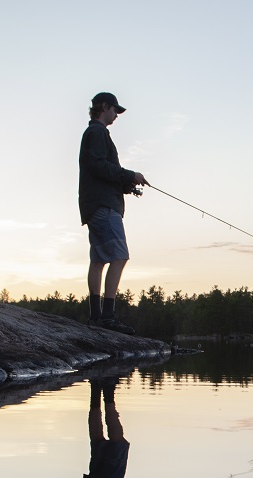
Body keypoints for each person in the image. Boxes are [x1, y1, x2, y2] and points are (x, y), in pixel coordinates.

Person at [78, 92, 148, 335]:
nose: (116, 115)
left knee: (98, 261)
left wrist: (125, 186)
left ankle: (96, 316)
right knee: (120, 256)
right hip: (104, 207)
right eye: (115, 110)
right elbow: (99, 165)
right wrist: (130, 175)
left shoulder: (93, 133)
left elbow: (100, 170)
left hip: (94, 204)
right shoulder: (97, 132)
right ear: (104, 107)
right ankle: (107, 317)